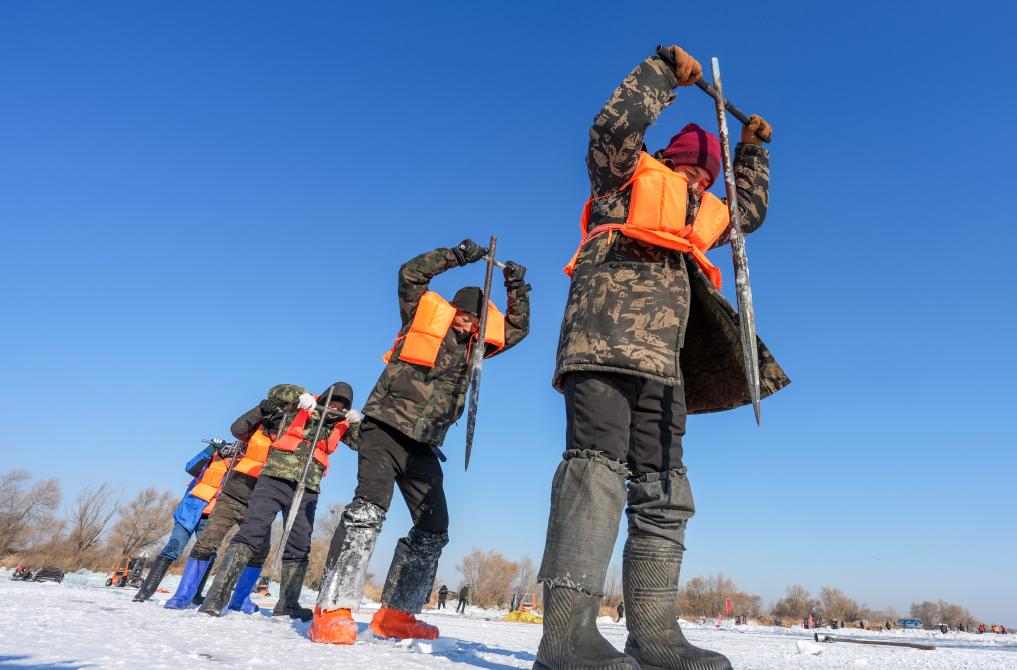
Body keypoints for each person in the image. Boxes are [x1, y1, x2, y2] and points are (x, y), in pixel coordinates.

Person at [533, 44, 789, 670]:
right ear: (669, 159)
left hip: (665, 366)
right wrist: (662, 74)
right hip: (603, 345)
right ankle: (565, 639)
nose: (699, 180)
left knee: (666, 488)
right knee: (595, 469)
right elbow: (613, 125)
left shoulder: (700, 216)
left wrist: (751, 153)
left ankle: (654, 635)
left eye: (708, 174)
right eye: (690, 168)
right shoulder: (623, 176)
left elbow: (749, 214)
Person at [308, 240, 531, 644]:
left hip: (423, 446)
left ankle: (397, 613)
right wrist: (457, 256)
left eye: (476, 320)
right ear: (452, 310)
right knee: (368, 511)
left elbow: (516, 329)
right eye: (464, 316)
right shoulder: (419, 318)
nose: (469, 325)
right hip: (384, 429)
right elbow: (410, 273)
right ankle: (331, 609)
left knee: (434, 527)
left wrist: (517, 288)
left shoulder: (477, 349)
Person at [195, 382, 359, 619]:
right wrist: (300, 395)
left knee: (300, 542)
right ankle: (215, 598)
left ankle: (287, 604)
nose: (336, 407)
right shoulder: (300, 405)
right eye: (333, 402)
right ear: (324, 398)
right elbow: (274, 393)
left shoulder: (341, 423)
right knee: (251, 532)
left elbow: (359, 444)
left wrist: (356, 423)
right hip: (275, 477)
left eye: (342, 406)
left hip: (307, 487)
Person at [164, 388, 293, 611]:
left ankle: (240, 599)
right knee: (207, 542)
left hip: (261, 504)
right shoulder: (255, 430)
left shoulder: (291, 440)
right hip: (233, 496)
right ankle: (183, 595)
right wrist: (259, 409)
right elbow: (236, 428)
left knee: (260, 550)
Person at [132, 439, 236, 602]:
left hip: (211, 518)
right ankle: (145, 592)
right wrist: (210, 449)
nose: (233, 460)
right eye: (231, 456)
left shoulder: (236, 470)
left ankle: (195, 595)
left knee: (208, 554)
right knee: (173, 549)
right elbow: (190, 467)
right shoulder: (210, 460)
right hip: (188, 513)